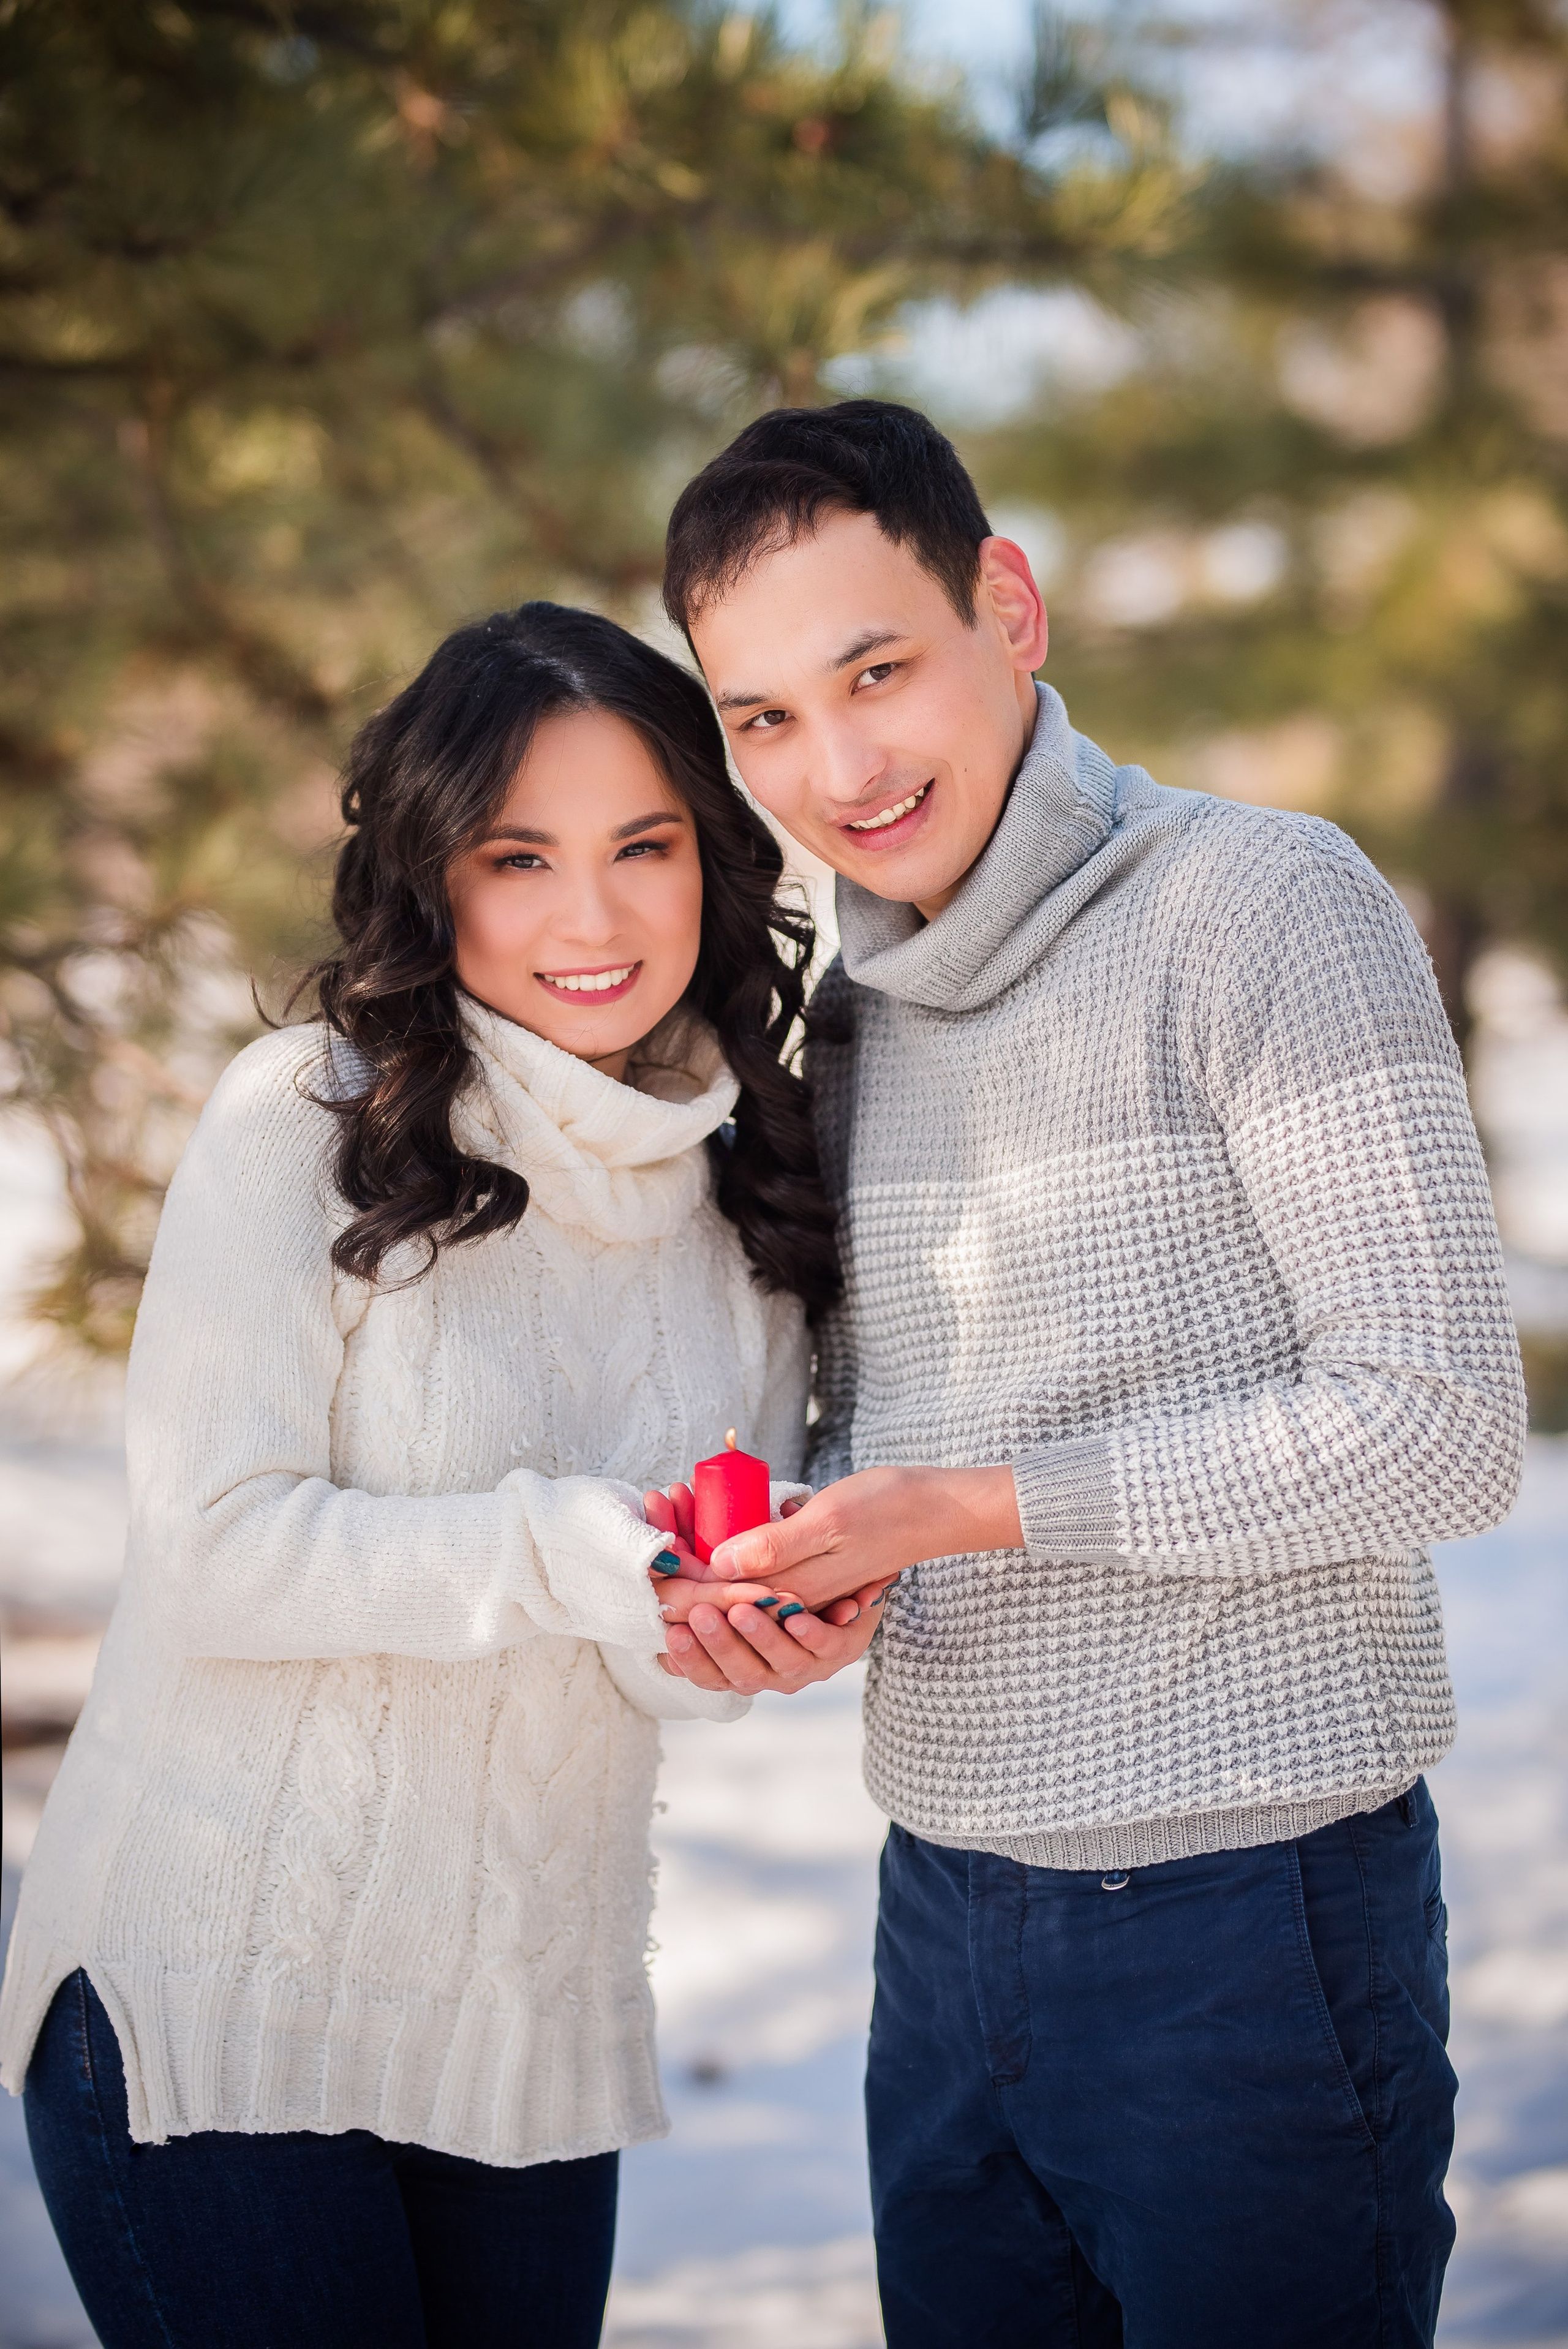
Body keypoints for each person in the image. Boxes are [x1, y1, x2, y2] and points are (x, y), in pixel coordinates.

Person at [654, 399, 1528, 2347]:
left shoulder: (1261, 902)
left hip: (1255, 1917)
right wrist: (819, 1575)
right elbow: (891, 1431)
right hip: (942, 1914)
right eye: (767, 715)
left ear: (1010, 609)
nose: (843, 764)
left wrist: (974, 1506)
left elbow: (1446, 1417)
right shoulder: (846, 1014)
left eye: (878, 669)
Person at [0, 602, 880, 2349]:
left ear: (711, 857)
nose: (592, 914)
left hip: (523, 2035)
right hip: (220, 2009)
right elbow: (215, 1554)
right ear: (432, 878)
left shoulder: (747, 1189)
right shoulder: (303, 1117)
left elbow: (654, 1626)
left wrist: (742, 1632)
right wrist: (573, 1549)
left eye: (643, 846)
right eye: (519, 855)